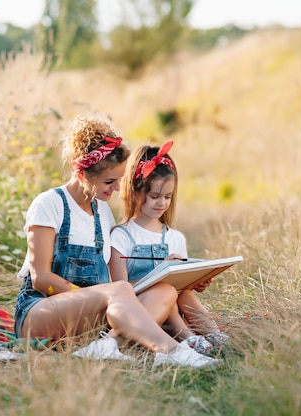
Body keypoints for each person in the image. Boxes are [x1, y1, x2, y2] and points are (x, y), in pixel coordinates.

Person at [13, 114, 217, 368]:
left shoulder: (102, 212)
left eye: (119, 180)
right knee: (119, 291)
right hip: (39, 311)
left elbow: (113, 285)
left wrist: (176, 275)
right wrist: (94, 297)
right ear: (82, 173)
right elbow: (41, 278)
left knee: (165, 291)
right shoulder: (49, 204)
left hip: (88, 315)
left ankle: (107, 343)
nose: (118, 188)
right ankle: (172, 351)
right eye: (109, 181)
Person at [109, 141, 229, 355]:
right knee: (167, 289)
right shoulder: (121, 236)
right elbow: (120, 289)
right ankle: (189, 339)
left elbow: (183, 287)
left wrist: (196, 281)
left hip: (173, 313)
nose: (162, 203)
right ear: (135, 192)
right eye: (155, 196)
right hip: (143, 313)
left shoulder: (174, 238)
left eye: (167, 197)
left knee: (180, 292)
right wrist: (160, 273)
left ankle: (212, 334)